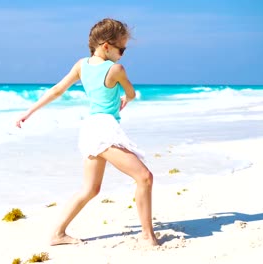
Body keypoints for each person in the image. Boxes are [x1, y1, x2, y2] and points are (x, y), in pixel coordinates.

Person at [15, 18, 159, 247]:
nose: (123, 54)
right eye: (122, 48)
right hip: (104, 130)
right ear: (106, 46)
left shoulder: (81, 65)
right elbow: (131, 94)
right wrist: (125, 98)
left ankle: (57, 234)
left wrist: (29, 112)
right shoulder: (116, 69)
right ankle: (147, 236)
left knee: (90, 188)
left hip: (89, 129)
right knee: (144, 177)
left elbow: (57, 90)